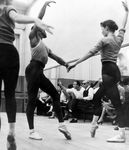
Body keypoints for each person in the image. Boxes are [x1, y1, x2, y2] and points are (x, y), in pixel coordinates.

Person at [67, 1, 128, 143]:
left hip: (107, 71)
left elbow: (90, 52)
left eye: (102, 29)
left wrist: (75, 63)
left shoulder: (104, 40)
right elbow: (123, 26)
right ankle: (94, 125)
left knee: (117, 103)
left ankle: (121, 134)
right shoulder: (119, 39)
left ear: (106, 28)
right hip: (114, 70)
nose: (101, 31)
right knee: (97, 97)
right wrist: (127, 12)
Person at [0, 0, 53, 149]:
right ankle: (11, 131)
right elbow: (16, 18)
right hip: (9, 51)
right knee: (10, 94)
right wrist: (35, 19)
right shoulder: (7, 8)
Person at [25, 1, 71, 140]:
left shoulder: (45, 46)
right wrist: (45, 4)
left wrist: (66, 64)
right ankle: (32, 131)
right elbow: (39, 18)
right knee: (32, 100)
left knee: (55, 95)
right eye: (42, 28)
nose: (45, 30)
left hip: (39, 72)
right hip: (32, 69)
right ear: (38, 29)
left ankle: (62, 125)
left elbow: (56, 57)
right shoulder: (33, 37)